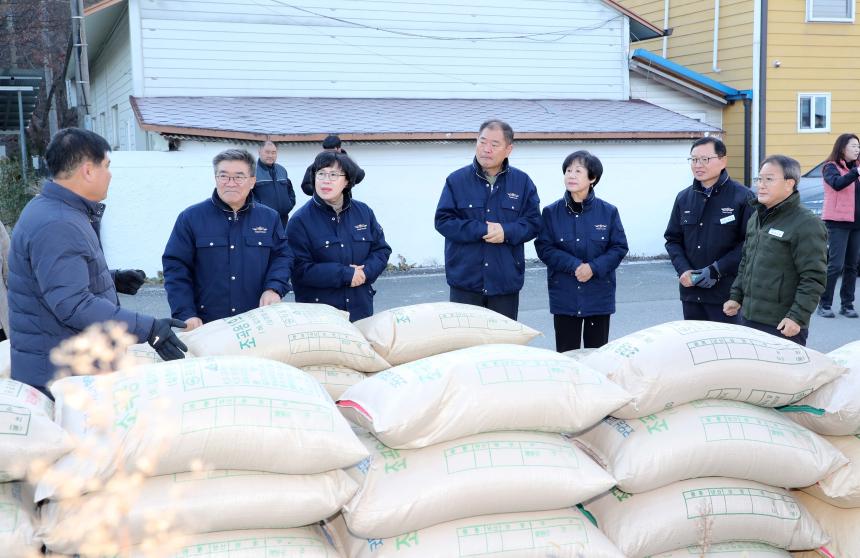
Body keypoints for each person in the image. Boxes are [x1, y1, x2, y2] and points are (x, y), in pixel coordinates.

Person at [8, 128, 186, 396]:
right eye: (107, 166)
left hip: (64, 368)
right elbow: (73, 304)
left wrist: (111, 279)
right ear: (88, 171)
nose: (110, 175)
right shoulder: (58, 222)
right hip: (64, 377)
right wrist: (148, 328)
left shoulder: (55, 210)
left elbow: (56, 279)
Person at [163, 149, 293, 330]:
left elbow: (282, 257)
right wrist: (186, 313)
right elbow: (176, 268)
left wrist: (274, 288)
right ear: (216, 178)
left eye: (239, 177)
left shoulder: (269, 218)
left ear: (252, 181)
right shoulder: (191, 217)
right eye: (223, 176)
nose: (230, 183)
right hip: (206, 324)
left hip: (258, 322)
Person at [434, 120, 540, 321]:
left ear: (509, 149)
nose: (486, 149)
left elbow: (534, 223)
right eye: (482, 142)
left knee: (502, 346)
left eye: (494, 144)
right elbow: (443, 221)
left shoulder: (522, 182)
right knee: (466, 345)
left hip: (504, 282)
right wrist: (481, 229)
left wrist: (506, 232)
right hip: (465, 282)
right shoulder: (456, 181)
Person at [724, 155, 827, 345]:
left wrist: (797, 317)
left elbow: (813, 277)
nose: (760, 185)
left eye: (769, 179)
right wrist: (736, 296)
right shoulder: (757, 217)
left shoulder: (807, 223)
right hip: (749, 317)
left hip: (782, 324)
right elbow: (746, 261)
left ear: (789, 183)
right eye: (759, 179)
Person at [535, 151, 628, 351]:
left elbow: (619, 247)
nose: (571, 175)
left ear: (592, 178)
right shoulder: (551, 212)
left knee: (598, 354)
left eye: (578, 171)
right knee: (567, 355)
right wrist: (575, 266)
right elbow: (544, 247)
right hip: (565, 296)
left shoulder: (608, 211)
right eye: (568, 170)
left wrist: (593, 268)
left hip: (598, 295)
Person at [287, 151, 391, 322]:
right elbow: (299, 269)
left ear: (347, 181)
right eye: (321, 174)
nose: (326, 180)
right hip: (320, 315)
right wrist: (344, 274)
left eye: (333, 175)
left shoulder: (363, 212)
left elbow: (381, 250)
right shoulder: (300, 220)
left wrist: (364, 274)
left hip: (361, 309)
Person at [664, 137, 755, 323]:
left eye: (705, 159)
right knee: (695, 349)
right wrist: (683, 270)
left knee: (728, 350)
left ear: (723, 160)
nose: (698, 165)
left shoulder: (742, 196)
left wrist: (717, 269)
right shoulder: (684, 198)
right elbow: (673, 239)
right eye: (694, 159)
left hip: (727, 295)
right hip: (691, 293)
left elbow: (750, 243)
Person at [817, 133, 860, 318]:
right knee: (835, 265)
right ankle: (824, 304)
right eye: (853, 146)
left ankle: (847, 305)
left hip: (857, 223)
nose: (857, 149)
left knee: (852, 265)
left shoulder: (856, 169)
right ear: (842, 148)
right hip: (838, 222)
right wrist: (855, 173)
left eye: (858, 146)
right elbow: (837, 184)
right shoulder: (830, 167)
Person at [300, 135, 366, 196]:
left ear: (338, 149)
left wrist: (343, 187)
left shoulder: (348, 163)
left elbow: (360, 175)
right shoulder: (318, 163)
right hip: (322, 203)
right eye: (326, 152)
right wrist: (321, 190)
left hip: (344, 201)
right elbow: (305, 185)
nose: (329, 155)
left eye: (331, 152)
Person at [254, 140, 296, 227]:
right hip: (262, 219)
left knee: (282, 240)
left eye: (273, 152)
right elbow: (247, 196)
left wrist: (289, 205)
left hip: (283, 219)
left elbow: (290, 190)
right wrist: (260, 210)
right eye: (267, 152)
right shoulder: (252, 172)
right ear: (259, 152)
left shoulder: (282, 170)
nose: (270, 155)